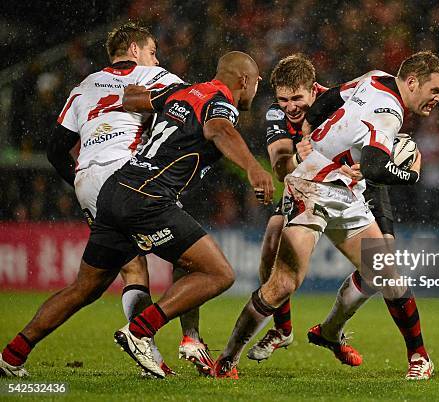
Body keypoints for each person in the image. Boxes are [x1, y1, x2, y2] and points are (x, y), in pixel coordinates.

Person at [0, 51, 274, 379]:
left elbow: (130, 98)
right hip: (150, 198)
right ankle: (141, 331)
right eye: (258, 82)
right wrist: (254, 167)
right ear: (244, 80)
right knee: (218, 273)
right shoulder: (221, 101)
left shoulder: (181, 92)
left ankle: (12, 355)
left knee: (85, 287)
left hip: (116, 191)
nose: (257, 89)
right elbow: (218, 129)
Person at [214, 51, 439, 381]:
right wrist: (412, 174)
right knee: (283, 283)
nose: (438, 98)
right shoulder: (389, 114)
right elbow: (375, 167)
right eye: (435, 91)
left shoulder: (376, 76)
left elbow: (333, 96)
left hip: (345, 190)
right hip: (311, 187)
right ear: (412, 82)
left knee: (387, 276)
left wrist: (309, 129)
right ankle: (226, 360)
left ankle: (419, 358)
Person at [42, 22, 215, 377]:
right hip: (131, 177)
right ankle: (188, 338)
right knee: (194, 253)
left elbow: (56, 148)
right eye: (152, 51)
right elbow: (193, 106)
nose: (156, 57)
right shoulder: (155, 75)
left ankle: (146, 352)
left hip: (88, 181)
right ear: (135, 50)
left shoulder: (84, 85)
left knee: (131, 268)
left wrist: (76, 179)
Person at [246, 54, 394, 367]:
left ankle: (333, 331)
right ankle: (282, 330)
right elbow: (280, 166)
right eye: (283, 99)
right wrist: (294, 160)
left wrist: (386, 224)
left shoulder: (341, 106)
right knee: (272, 242)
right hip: (305, 185)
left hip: (355, 192)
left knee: (380, 267)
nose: (291, 107)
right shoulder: (277, 114)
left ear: (314, 91)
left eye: (297, 98)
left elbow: (374, 163)